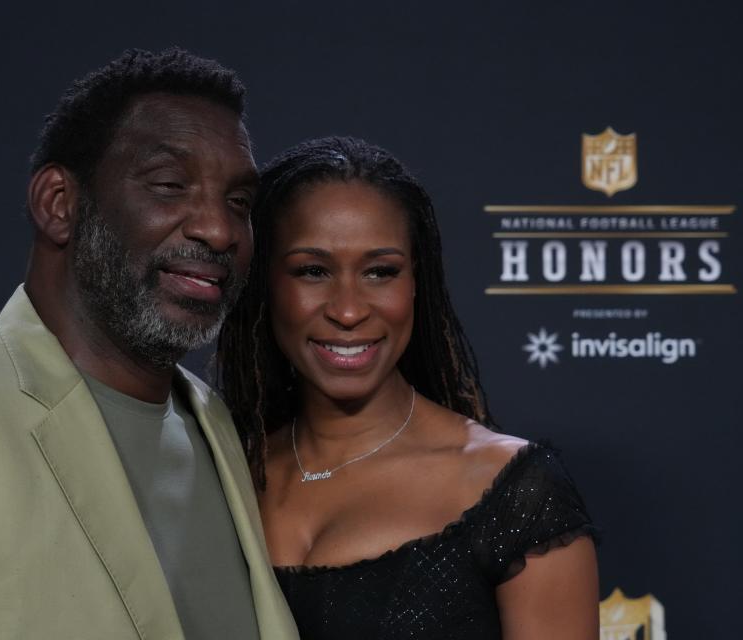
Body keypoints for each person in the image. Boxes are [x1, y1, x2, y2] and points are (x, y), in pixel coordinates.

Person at [0, 49, 298, 640]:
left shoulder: (217, 427)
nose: (219, 230)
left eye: (239, 203)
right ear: (58, 204)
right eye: (171, 185)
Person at [217, 136, 600, 639]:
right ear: (266, 283)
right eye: (313, 271)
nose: (348, 310)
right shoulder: (221, 476)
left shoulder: (514, 491)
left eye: (380, 272)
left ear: (415, 282)